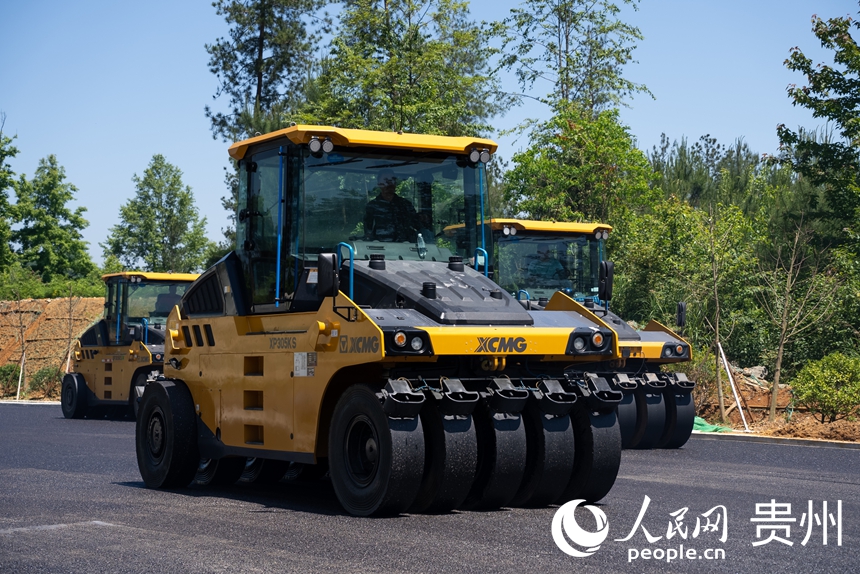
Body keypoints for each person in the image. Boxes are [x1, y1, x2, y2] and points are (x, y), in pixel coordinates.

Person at [364, 169, 419, 242]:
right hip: (380, 249)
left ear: (395, 183)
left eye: (392, 180)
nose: (390, 183)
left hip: (406, 248)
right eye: (385, 180)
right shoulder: (372, 206)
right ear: (379, 184)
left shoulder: (406, 205)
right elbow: (368, 232)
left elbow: (416, 225)